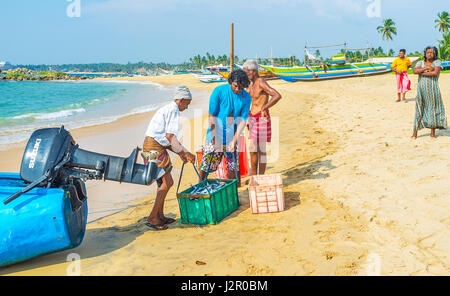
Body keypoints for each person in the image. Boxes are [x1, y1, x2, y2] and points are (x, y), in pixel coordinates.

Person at [142, 86, 196, 230]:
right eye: (187, 104)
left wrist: (183, 153)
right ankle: (153, 217)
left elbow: (166, 140)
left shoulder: (167, 109)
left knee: (163, 182)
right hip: (154, 147)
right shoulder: (173, 110)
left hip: (150, 145)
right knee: (166, 182)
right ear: (182, 100)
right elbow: (170, 137)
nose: (187, 107)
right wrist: (183, 153)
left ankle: (159, 215)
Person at [198, 69, 251, 186]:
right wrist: (214, 138)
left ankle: (234, 193)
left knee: (233, 167)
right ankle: (199, 188)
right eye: (235, 86)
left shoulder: (246, 97)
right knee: (207, 165)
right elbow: (212, 115)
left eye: (241, 88)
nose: (237, 90)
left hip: (232, 136)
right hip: (215, 133)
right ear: (230, 81)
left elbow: (243, 120)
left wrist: (234, 140)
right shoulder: (219, 91)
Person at [243, 59, 282, 176]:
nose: (245, 75)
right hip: (252, 118)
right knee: (256, 149)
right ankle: (255, 176)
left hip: (262, 118)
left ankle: (260, 176)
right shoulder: (249, 83)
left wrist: (265, 107)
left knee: (256, 148)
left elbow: (277, 95)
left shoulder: (261, 82)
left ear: (253, 71)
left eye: (247, 72)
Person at [412, 46, 447, 138]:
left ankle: (432, 133)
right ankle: (414, 133)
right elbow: (414, 71)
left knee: (433, 109)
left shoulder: (437, 62)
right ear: (425, 53)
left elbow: (435, 73)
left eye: (432, 52)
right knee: (419, 108)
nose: (429, 54)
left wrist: (421, 73)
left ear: (435, 54)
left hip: (433, 89)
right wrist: (425, 68)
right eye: (428, 52)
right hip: (421, 90)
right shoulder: (420, 62)